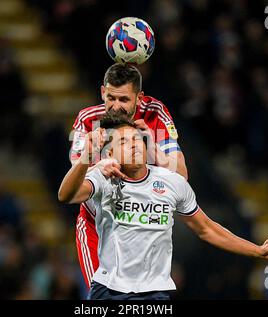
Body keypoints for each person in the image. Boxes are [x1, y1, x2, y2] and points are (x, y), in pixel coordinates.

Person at [59, 114, 268, 300]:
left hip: (155, 294)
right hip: (109, 291)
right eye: (123, 142)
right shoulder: (104, 178)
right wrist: (86, 158)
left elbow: (207, 229)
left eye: (137, 139)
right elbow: (66, 195)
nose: (133, 145)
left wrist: (257, 250)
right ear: (110, 153)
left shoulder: (172, 182)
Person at [69, 63, 187, 287]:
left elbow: (181, 174)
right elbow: (75, 177)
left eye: (124, 100)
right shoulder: (87, 119)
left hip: (141, 227)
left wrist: (151, 144)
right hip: (97, 227)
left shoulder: (155, 114)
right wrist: (99, 163)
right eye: (111, 98)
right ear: (103, 92)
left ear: (139, 98)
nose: (115, 106)